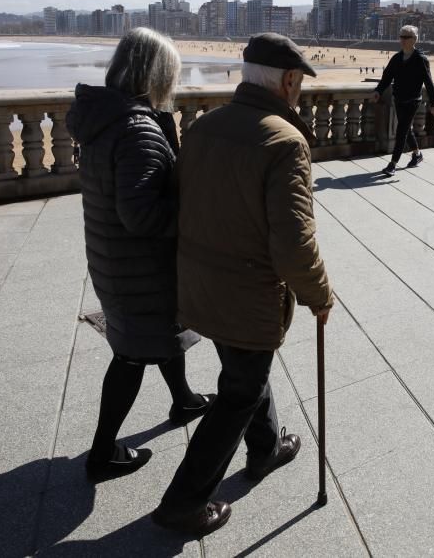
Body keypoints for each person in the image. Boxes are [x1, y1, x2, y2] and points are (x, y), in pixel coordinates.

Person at [152, 33, 333, 536]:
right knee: (239, 391)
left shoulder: (205, 127)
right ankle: (182, 503)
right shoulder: (284, 140)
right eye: (299, 84)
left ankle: (266, 446)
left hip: (201, 282)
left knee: (245, 368)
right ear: (290, 81)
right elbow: (294, 243)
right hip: (247, 290)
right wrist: (320, 295)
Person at [66, 28, 215, 483]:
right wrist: (195, 209)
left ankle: (184, 397)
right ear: (156, 74)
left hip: (112, 256)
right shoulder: (136, 128)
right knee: (131, 354)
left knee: (162, 332)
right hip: (139, 263)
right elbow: (142, 215)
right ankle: (102, 451)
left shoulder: (104, 119)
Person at [372, 25, 434, 177]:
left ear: (414, 39)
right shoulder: (396, 58)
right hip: (398, 99)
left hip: (413, 101)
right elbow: (387, 77)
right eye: (401, 36)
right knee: (406, 129)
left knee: (401, 131)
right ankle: (417, 154)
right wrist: (378, 91)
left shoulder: (421, 59)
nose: (402, 40)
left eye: (406, 37)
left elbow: (429, 83)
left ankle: (392, 164)